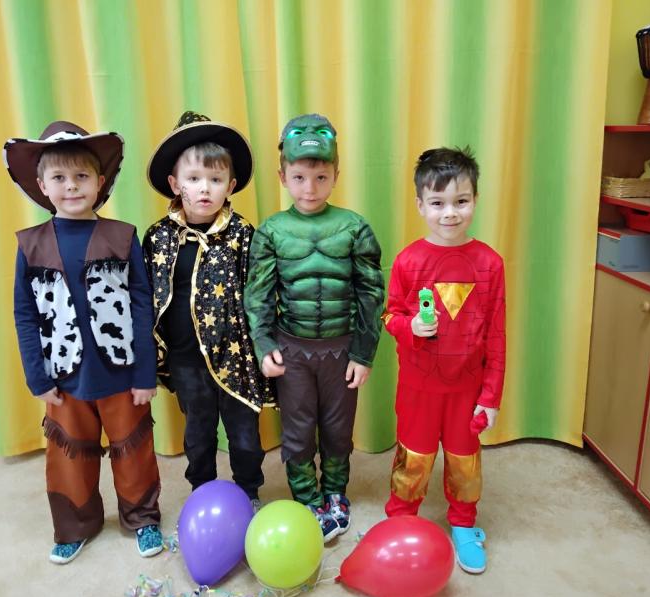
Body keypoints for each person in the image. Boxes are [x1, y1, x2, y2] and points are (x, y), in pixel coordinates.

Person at [8, 121, 162, 564]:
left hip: (121, 373)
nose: (71, 186)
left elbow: (141, 306)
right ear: (42, 186)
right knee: (68, 455)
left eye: (81, 176)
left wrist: (145, 373)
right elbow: (25, 314)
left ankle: (142, 517)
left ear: (100, 182)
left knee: (133, 450)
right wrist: (37, 378)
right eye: (59, 177)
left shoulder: (123, 237)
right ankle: (75, 525)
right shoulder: (31, 245)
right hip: (64, 376)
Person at [244, 113, 385, 542]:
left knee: (338, 429)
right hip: (293, 352)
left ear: (336, 175)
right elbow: (258, 295)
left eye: (321, 177)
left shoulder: (355, 227)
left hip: (342, 350)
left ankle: (336, 492)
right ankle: (307, 497)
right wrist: (263, 342)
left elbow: (371, 294)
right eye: (300, 177)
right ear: (282, 176)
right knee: (299, 430)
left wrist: (364, 354)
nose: (310, 188)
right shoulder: (271, 231)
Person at [382, 146, 506, 573]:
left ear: (475, 200)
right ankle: (401, 517)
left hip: (466, 390)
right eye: (437, 203)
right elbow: (390, 316)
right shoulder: (407, 261)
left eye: (461, 201)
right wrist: (410, 327)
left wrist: (490, 396)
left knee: (464, 459)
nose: (450, 213)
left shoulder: (491, 264)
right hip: (418, 388)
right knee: (412, 457)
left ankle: (464, 522)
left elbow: (497, 336)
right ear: (420, 205)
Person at [142, 111, 274, 511]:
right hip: (185, 359)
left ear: (230, 186)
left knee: (244, 434)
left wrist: (265, 346)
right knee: (198, 434)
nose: (204, 189)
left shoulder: (242, 233)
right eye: (194, 178)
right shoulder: (158, 237)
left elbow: (259, 292)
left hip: (236, 356)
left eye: (215, 180)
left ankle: (248, 491)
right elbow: (147, 296)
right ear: (175, 183)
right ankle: (201, 491)